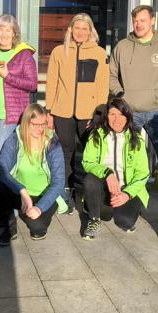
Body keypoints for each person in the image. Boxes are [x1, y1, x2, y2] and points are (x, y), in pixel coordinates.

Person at [45, 13, 109, 210]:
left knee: (90, 154)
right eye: (77, 28)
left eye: (84, 28)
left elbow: (102, 85)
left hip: (89, 114)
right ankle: (64, 192)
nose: (80, 32)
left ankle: (88, 194)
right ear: (70, 30)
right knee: (65, 153)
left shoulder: (99, 53)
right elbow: (52, 82)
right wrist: (49, 111)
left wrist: (99, 113)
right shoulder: (59, 51)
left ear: (90, 31)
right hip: (62, 112)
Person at [109, 4, 158, 167]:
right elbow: (110, 75)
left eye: (143, 20)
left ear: (152, 21)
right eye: (135, 21)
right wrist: (120, 94)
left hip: (157, 113)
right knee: (126, 157)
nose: (138, 24)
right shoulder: (122, 46)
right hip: (129, 112)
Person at [0, 103, 64, 246]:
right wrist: (21, 190)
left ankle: (27, 214)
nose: (40, 129)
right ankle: (9, 224)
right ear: (26, 123)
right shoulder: (15, 140)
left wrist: (39, 208)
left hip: (43, 196)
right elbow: (0, 169)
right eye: (35, 124)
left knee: (37, 229)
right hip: (21, 194)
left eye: (43, 124)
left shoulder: (53, 143)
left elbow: (59, 182)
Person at [80, 98, 149, 240]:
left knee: (125, 222)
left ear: (127, 116)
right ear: (106, 116)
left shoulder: (137, 138)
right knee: (90, 180)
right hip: (104, 186)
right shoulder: (96, 135)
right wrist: (107, 173)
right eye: (112, 114)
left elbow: (143, 173)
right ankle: (94, 218)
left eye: (121, 114)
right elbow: (87, 162)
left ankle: (117, 207)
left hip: (127, 188)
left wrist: (127, 194)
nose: (116, 119)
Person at [0, 14, 37, 160]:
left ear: (14, 33)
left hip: (11, 113)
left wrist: (7, 76)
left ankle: (6, 176)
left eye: (8, 30)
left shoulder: (24, 55)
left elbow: (32, 84)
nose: (4, 34)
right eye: (0, 29)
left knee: (1, 153)